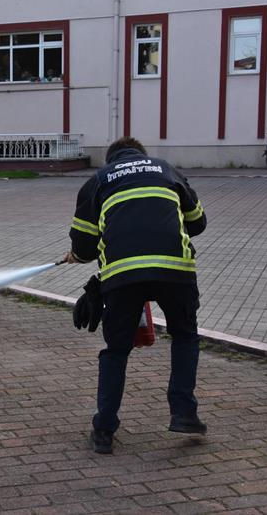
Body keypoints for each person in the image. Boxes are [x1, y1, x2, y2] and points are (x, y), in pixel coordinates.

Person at [64, 136, 207, 455]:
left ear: (111, 160)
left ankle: (104, 429)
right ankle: (184, 414)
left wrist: (78, 254)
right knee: (184, 336)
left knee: (116, 350)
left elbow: (85, 246)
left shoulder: (98, 180)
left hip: (123, 276)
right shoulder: (167, 170)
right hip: (176, 271)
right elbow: (198, 224)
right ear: (140, 155)